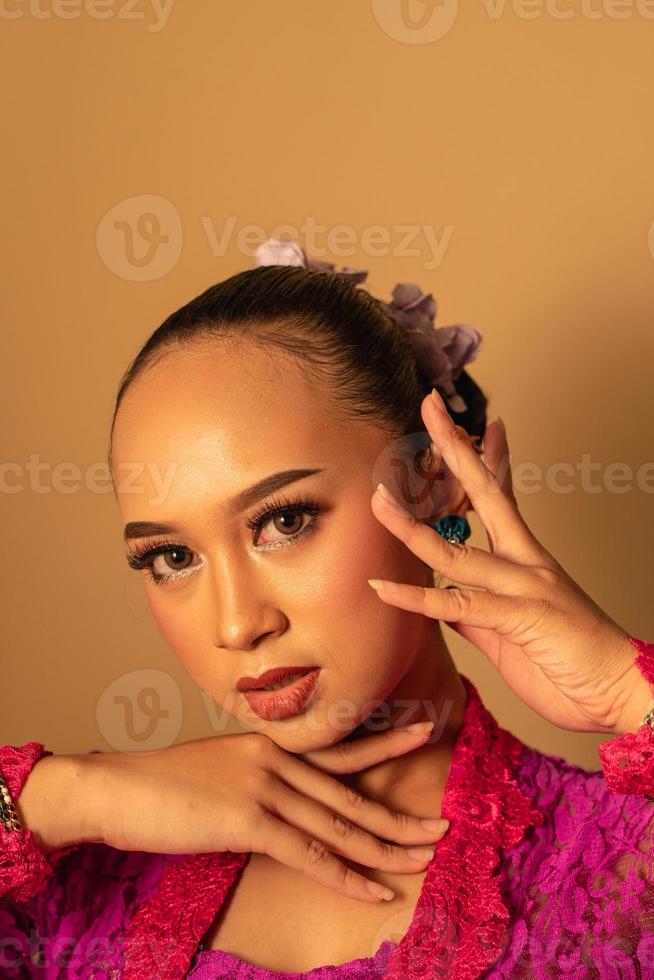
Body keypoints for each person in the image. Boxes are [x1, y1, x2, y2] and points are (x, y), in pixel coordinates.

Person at [1, 239, 653, 979]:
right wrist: (61, 794)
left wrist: (626, 692)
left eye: (283, 521)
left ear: (433, 484)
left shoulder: (619, 869)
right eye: (173, 558)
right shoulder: (73, 888)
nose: (237, 625)